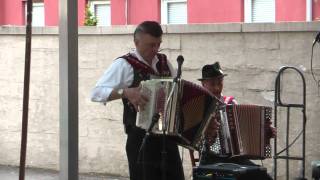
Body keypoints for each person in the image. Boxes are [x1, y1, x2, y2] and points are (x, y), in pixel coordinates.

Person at [91, 21, 184, 180]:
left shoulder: (164, 63)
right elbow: (96, 93)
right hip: (141, 140)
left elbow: (177, 94)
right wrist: (125, 92)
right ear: (136, 42)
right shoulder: (124, 64)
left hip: (167, 137)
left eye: (158, 44)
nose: (155, 50)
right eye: (150, 45)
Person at [197, 62, 276, 178]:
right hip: (211, 160)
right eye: (212, 83)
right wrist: (207, 134)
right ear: (203, 84)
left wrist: (265, 134)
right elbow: (194, 141)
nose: (217, 87)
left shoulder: (230, 104)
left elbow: (244, 134)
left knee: (263, 176)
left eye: (219, 82)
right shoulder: (199, 106)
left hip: (235, 160)